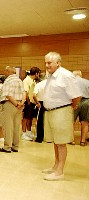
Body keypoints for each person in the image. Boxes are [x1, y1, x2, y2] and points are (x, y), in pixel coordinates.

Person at [42, 52, 81, 181]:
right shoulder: (51, 75)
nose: (47, 65)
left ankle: (60, 172)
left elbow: (76, 96)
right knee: (56, 141)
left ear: (58, 63)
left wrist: (72, 107)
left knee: (61, 142)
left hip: (61, 111)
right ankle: (55, 166)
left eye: (49, 63)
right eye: (46, 62)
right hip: (51, 111)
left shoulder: (65, 75)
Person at [0, 66, 26, 153]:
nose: (4, 73)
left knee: (8, 126)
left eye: (5, 71)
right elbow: (24, 93)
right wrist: (21, 103)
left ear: (7, 71)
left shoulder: (8, 81)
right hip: (19, 106)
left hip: (10, 104)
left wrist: (16, 104)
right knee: (16, 126)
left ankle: (7, 147)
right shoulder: (19, 80)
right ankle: (15, 146)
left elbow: (8, 95)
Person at [22, 67, 40, 141]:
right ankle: (23, 133)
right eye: (38, 73)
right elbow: (25, 92)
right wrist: (28, 102)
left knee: (30, 118)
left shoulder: (33, 80)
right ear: (36, 73)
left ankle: (29, 131)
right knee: (25, 118)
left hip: (32, 102)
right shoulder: (26, 80)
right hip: (28, 101)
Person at [73, 70, 89, 146]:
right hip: (86, 101)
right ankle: (82, 141)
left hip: (74, 101)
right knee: (85, 122)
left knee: (71, 122)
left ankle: (72, 140)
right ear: (80, 75)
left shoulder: (71, 82)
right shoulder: (87, 82)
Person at [33, 73, 47, 143]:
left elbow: (34, 95)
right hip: (49, 103)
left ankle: (39, 138)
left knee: (40, 121)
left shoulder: (38, 85)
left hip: (41, 102)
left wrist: (37, 103)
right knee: (49, 121)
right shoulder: (49, 84)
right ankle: (49, 138)